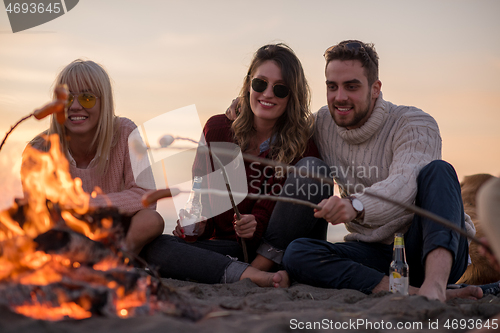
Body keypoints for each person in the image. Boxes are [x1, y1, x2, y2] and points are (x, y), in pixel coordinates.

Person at [261, 40, 482, 301]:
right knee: (297, 253)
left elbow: (406, 181)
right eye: (332, 87)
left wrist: (356, 205)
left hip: (426, 247)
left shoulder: (415, 123)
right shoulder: (322, 123)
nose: (340, 97)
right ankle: (410, 292)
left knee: (440, 171)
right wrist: (242, 106)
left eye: (351, 86)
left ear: (375, 89)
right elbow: (285, 130)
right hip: (373, 253)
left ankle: (434, 288)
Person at [142, 43, 323, 287]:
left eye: (280, 89)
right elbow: (202, 197)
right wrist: (198, 222)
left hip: (278, 251)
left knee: (313, 170)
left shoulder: (302, 141)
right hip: (230, 249)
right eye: (260, 84)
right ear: (249, 83)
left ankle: (253, 271)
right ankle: (246, 274)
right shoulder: (217, 129)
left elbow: (293, 208)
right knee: (156, 246)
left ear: (293, 95)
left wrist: (256, 222)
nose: (268, 94)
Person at [26, 59, 164, 255]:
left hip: (119, 233)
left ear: (104, 102)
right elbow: (36, 215)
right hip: (66, 235)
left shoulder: (126, 133)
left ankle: (113, 259)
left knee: (152, 221)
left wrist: (86, 204)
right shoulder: (39, 149)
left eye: (87, 98)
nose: (74, 106)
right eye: (66, 98)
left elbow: (147, 197)